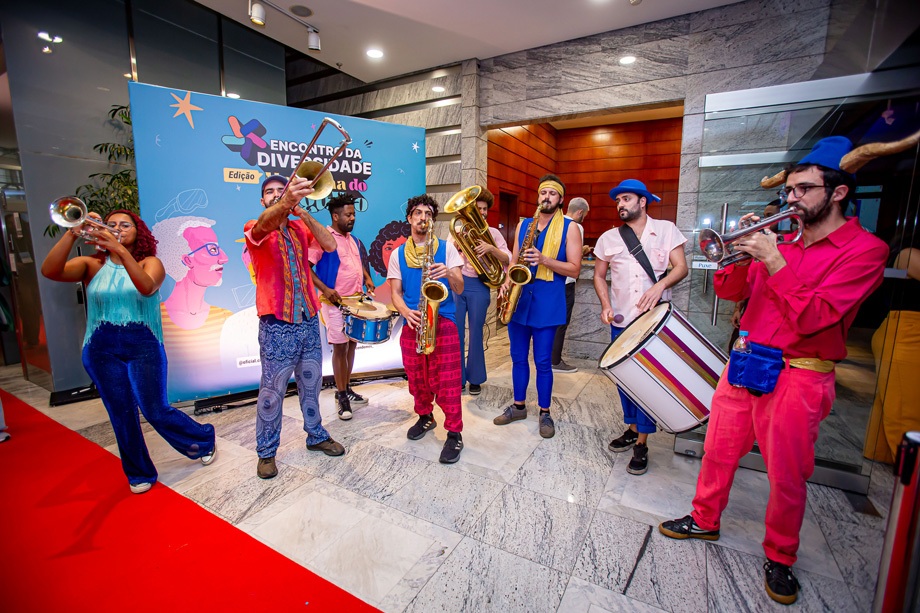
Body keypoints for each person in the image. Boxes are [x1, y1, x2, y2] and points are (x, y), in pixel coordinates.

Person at [658, 136, 889, 605]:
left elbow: (816, 317)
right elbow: (730, 293)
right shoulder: (781, 242)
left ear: (838, 192)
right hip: (746, 362)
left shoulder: (865, 250)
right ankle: (704, 519)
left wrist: (774, 259)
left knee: (786, 474)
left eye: (803, 189)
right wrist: (739, 253)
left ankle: (780, 555)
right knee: (718, 452)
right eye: (789, 191)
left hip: (800, 374)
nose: (792, 199)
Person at [41, 209, 217, 494]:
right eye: (111, 225)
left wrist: (120, 250)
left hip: (144, 346)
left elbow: (146, 287)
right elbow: (50, 271)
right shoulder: (92, 264)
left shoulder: (150, 262)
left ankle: (203, 439)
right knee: (121, 414)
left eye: (125, 225)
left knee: (155, 410)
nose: (117, 228)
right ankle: (138, 472)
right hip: (101, 349)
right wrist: (74, 231)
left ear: (138, 232)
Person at [244, 174, 342, 480]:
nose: (275, 194)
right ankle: (266, 452)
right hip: (276, 324)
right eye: (269, 192)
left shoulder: (300, 227)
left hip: (308, 319)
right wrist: (285, 203)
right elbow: (263, 226)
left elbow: (329, 244)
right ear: (262, 200)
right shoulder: (254, 227)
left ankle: (316, 435)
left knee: (311, 384)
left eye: (281, 190)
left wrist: (301, 211)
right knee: (272, 391)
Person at [594, 179, 688, 475]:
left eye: (626, 199)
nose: (620, 204)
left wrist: (659, 286)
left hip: (654, 321)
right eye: (617, 201)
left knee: (649, 380)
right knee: (625, 381)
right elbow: (599, 276)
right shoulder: (609, 237)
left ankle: (642, 443)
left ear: (643, 201)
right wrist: (605, 305)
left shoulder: (666, 230)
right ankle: (633, 428)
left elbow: (681, 267)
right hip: (622, 320)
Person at [493, 174, 583, 439]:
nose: (546, 197)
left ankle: (545, 412)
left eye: (552, 193)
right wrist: (506, 282)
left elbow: (575, 269)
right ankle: (519, 406)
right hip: (520, 300)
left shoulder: (570, 228)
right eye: (543, 192)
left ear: (561, 199)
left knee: (543, 362)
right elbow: (514, 260)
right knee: (518, 358)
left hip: (548, 301)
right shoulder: (524, 225)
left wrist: (544, 260)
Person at [388, 194, 465, 463]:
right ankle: (425, 417)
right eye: (418, 213)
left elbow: (459, 288)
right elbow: (395, 292)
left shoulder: (447, 248)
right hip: (414, 322)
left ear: (433, 220)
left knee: (448, 381)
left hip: (443, 321)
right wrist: (404, 311)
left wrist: (450, 272)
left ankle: (454, 433)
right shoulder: (398, 254)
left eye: (429, 214)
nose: (423, 218)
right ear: (409, 218)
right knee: (416, 378)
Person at [308, 193, 376, 420]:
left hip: (356, 302)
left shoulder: (353, 239)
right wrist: (325, 289)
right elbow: (306, 267)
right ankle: (341, 396)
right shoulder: (323, 238)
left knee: (352, 345)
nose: (352, 218)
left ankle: (346, 388)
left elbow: (356, 263)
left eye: (353, 214)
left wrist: (367, 277)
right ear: (335, 216)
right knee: (339, 348)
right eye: (348, 215)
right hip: (334, 303)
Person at [152, 215, 233, 400]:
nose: (224, 258)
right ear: (187, 260)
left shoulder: (226, 318)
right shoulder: (156, 319)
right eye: (213, 249)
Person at [863, 230, 920, 463]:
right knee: (905, 411)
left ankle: (882, 455)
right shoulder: (909, 254)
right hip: (907, 332)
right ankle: (910, 474)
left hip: (906, 332)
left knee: (895, 400)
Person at [450, 186, 511, 396]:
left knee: (476, 333)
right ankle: (458, 378)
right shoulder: (458, 231)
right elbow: (448, 258)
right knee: (456, 333)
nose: (482, 212)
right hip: (458, 284)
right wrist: (457, 247)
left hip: (479, 286)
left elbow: (508, 258)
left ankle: (475, 378)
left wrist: (491, 248)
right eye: (479, 208)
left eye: (484, 209)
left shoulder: (493, 233)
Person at [728, 199, 781, 351]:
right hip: (750, 325)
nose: (765, 220)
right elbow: (748, 285)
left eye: (770, 216)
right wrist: (738, 308)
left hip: (772, 332)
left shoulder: (784, 245)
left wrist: (771, 255)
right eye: (765, 215)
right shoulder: (759, 245)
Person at [551, 197, 590, 374]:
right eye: (585, 215)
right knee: (562, 322)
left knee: (551, 322)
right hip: (566, 281)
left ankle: (547, 358)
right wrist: (584, 249)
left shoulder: (555, 222)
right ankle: (555, 361)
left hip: (552, 280)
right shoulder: (575, 226)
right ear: (580, 212)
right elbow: (573, 256)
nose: (584, 218)